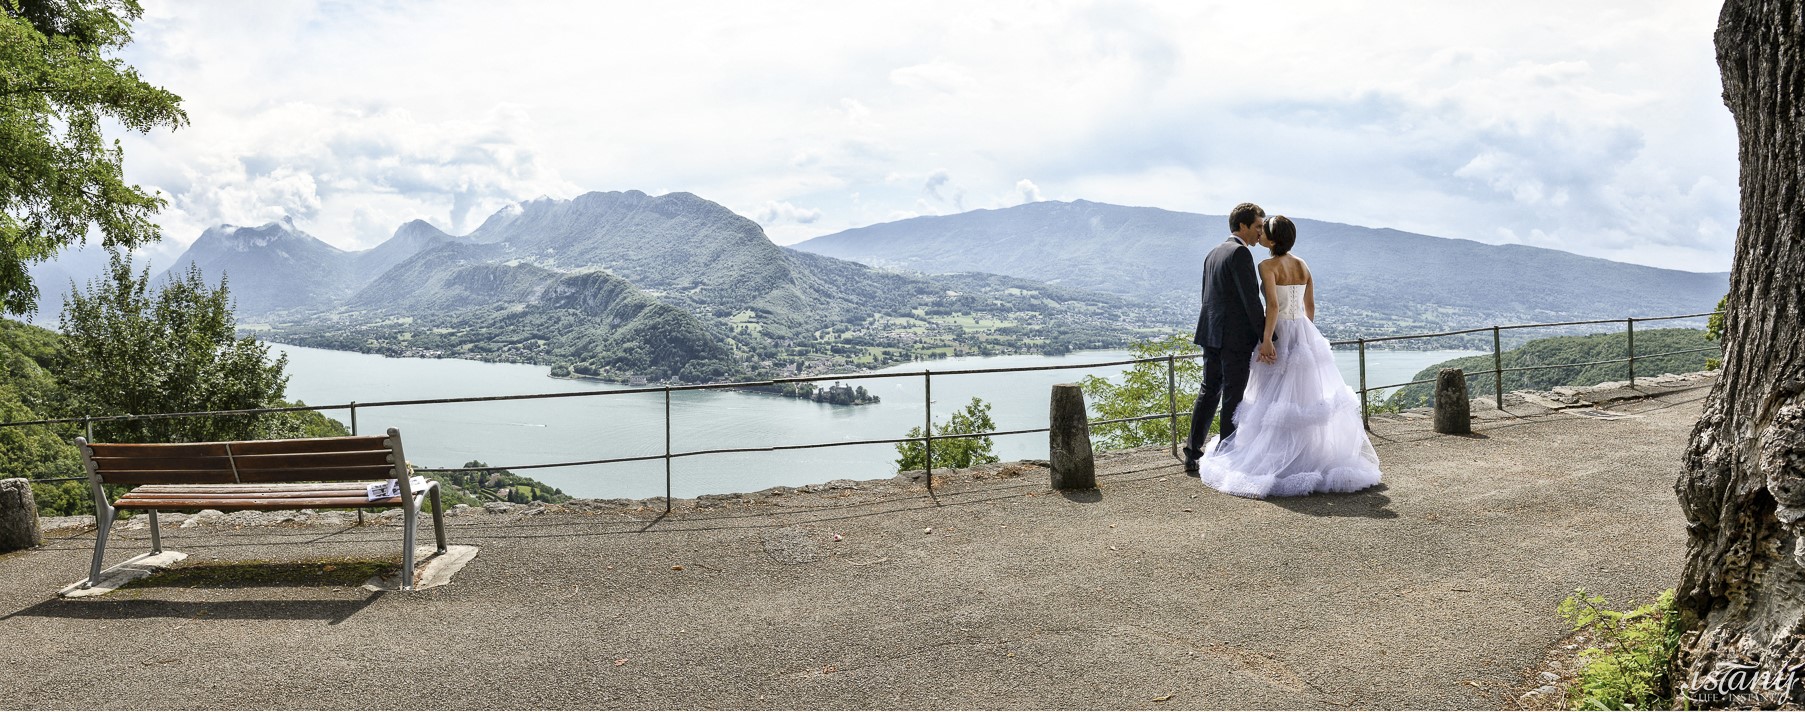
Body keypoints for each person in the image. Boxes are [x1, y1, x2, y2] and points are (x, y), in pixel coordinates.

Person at [1196, 215, 1383, 498]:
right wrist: (1305, 333)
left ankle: (1279, 451)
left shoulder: (1266, 265)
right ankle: (1307, 450)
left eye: (1264, 231)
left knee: (1273, 396)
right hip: (1304, 331)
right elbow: (1310, 305)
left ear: (1272, 239)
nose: (1259, 235)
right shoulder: (1303, 264)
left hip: (1279, 329)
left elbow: (1272, 305)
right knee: (1303, 395)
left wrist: (1268, 339)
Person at [1183, 202, 1270, 476]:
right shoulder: (1240, 254)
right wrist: (1269, 336)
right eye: (1257, 226)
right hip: (1234, 338)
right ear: (1242, 226)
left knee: (1209, 390)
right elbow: (1251, 301)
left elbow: (1207, 298)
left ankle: (1192, 453)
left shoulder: (1213, 253)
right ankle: (1227, 455)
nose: (1260, 232)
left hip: (1210, 332)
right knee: (1233, 395)